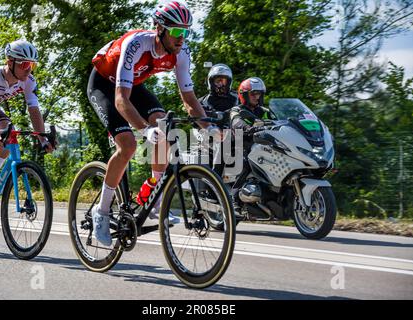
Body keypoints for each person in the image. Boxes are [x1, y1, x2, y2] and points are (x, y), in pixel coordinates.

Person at [87, 1, 219, 246]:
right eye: (177, 31)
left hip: (133, 85)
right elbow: (120, 100)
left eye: (186, 31)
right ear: (159, 29)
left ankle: (154, 196)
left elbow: (189, 99)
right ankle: (102, 213)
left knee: (164, 126)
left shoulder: (181, 54)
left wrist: (209, 128)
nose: (182, 38)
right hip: (105, 84)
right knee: (127, 145)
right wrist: (144, 130)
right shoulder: (136, 44)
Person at [0, 40, 54, 242]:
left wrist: (42, 138)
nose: (28, 69)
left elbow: (34, 110)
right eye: (24, 64)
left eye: (32, 65)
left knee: (8, 135)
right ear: (9, 61)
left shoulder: (28, 81)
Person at [229, 77, 274, 216]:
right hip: (241, 146)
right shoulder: (237, 109)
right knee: (246, 163)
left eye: (258, 94)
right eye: (253, 94)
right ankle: (234, 201)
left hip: (262, 146)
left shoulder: (265, 111)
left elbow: (278, 121)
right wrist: (247, 127)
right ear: (244, 95)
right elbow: (236, 122)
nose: (256, 97)